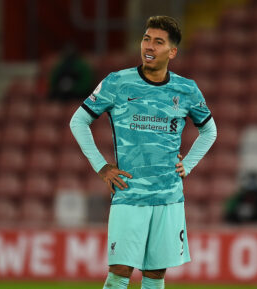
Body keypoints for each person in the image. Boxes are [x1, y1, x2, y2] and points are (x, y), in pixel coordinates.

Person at [70, 16, 217, 289]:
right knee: (119, 273)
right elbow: (78, 121)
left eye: (158, 42)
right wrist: (102, 167)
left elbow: (210, 131)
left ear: (172, 52)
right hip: (130, 193)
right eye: (146, 39)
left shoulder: (186, 89)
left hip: (169, 197)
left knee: (154, 276)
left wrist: (190, 164)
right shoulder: (117, 83)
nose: (149, 46)